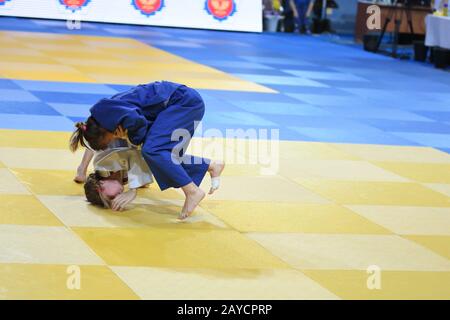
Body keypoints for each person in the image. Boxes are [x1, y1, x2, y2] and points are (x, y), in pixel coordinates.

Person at [69, 81, 224, 220]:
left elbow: (137, 141)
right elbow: (96, 141)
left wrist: (133, 189)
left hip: (181, 103)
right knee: (163, 158)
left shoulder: (105, 161)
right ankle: (211, 165)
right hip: (178, 103)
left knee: (153, 151)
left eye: (110, 196)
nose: (115, 197)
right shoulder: (104, 118)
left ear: (100, 185)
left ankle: (192, 191)